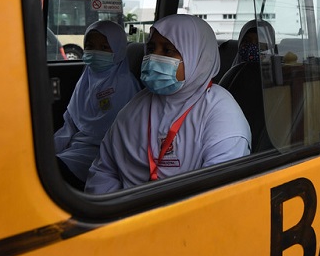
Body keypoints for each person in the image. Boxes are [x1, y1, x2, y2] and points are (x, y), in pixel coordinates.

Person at [85, 14, 251, 193]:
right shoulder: (135, 106)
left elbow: (218, 193)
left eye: (167, 50)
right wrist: (118, 207)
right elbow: (104, 170)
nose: (153, 57)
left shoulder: (221, 114)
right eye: (151, 49)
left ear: (196, 56)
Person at [54, 21, 140, 187]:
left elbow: (122, 136)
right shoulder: (86, 78)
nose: (95, 52)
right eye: (90, 46)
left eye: (104, 47)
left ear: (118, 50)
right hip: (76, 146)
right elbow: (70, 123)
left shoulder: (126, 84)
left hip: (103, 152)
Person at [220, 20, 276, 152]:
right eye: (247, 41)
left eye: (260, 43)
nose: (253, 47)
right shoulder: (232, 75)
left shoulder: (277, 81)